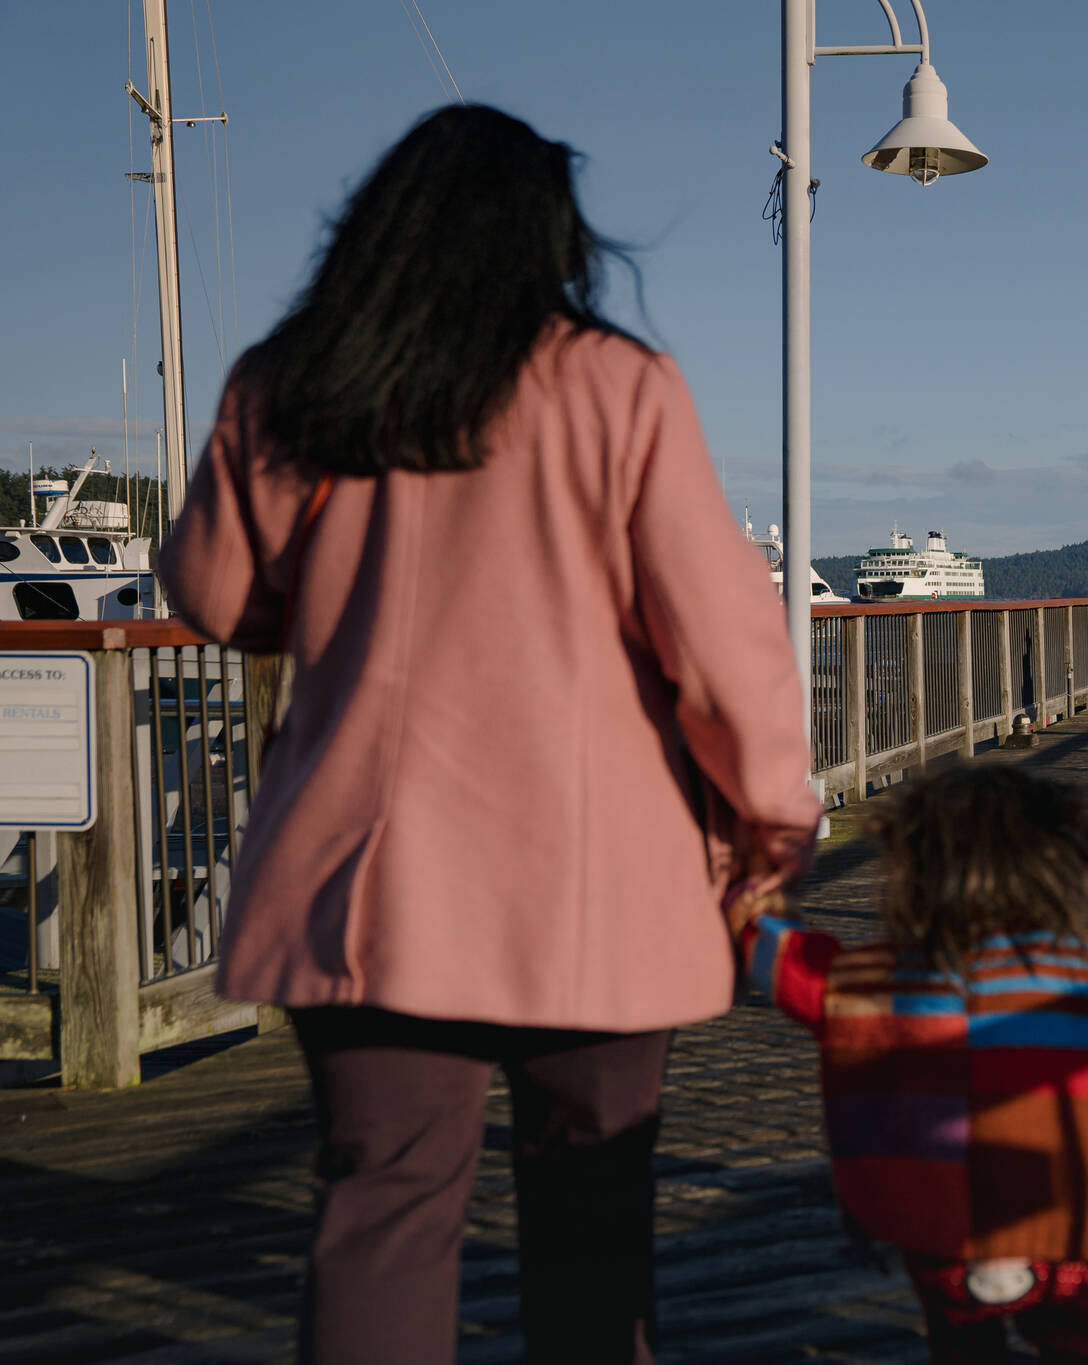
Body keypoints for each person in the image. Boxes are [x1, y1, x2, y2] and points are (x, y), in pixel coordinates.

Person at [157, 106, 821, 1365]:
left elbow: (215, 595)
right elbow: (722, 647)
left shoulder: (290, 384)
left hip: (364, 883)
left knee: (381, 1213)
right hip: (597, 888)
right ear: (547, 238)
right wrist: (771, 818)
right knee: (590, 1221)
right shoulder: (615, 384)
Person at [725, 764, 1088, 1364]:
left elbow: (787, 965)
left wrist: (752, 903)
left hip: (937, 1239)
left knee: (960, 1341)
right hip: (1054, 1233)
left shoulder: (867, 980)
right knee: (1078, 1338)